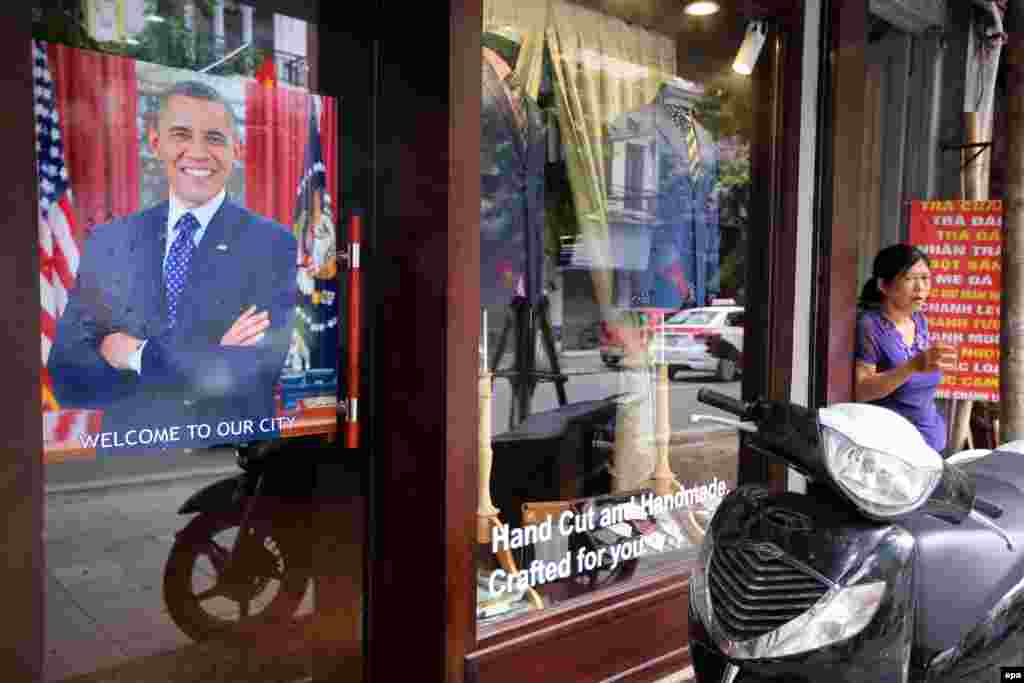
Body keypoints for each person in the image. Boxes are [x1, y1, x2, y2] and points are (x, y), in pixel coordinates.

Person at [47, 80, 298, 451]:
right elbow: (67, 372)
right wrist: (210, 351)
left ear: (236, 150)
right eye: (181, 134)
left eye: (214, 138)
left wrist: (133, 354)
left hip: (225, 463)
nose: (197, 152)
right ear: (156, 143)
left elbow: (249, 373)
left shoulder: (273, 244)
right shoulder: (110, 241)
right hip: (124, 466)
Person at [853, 244, 957, 453]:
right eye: (909, 279)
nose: (920, 288)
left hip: (930, 445)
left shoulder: (919, 320)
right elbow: (861, 390)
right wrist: (911, 366)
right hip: (893, 451)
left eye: (925, 278)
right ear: (884, 285)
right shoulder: (870, 326)